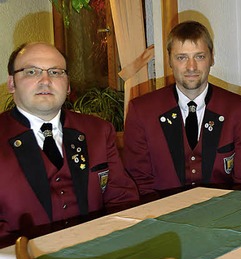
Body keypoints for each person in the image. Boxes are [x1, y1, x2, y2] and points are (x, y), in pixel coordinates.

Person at [0, 43, 139, 237]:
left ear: (68, 86)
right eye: (32, 72)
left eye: (56, 72)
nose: (45, 81)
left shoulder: (98, 131)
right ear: (12, 83)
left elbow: (122, 200)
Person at [123, 21, 241, 198]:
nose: (191, 67)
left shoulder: (240, 110)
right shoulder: (141, 111)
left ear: (212, 58)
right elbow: (139, 184)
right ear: (169, 60)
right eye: (181, 57)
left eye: (199, 56)